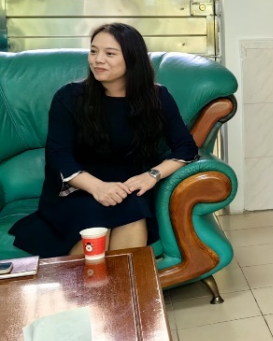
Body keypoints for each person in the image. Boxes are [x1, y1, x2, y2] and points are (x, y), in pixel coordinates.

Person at [11, 23, 198, 257]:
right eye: (93, 51)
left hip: (127, 188)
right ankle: (89, 282)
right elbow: (58, 155)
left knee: (131, 210)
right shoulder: (70, 97)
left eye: (109, 53)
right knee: (97, 223)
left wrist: (152, 175)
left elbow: (186, 147)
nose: (98, 60)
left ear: (132, 59)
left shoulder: (157, 97)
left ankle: (121, 281)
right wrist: (98, 188)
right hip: (78, 189)